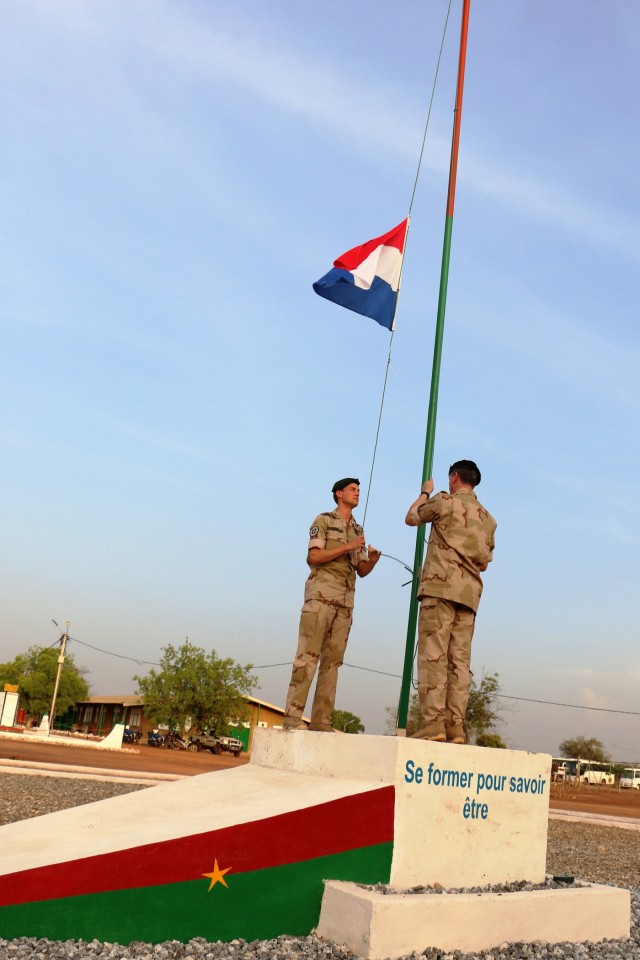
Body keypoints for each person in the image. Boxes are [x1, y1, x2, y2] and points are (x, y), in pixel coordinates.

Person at [405, 460, 496, 743]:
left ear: (454, 477)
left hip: (440, 588)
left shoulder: (444, 502)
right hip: (468, 595)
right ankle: (455, 726)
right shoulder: (488, 519)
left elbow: (411, 517)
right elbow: (483, 564)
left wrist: (424, 492)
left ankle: (433, 723)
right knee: (459, 661)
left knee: (434, 654)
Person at [283, 478, 381, 732]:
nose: (357, 493)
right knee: (307, 658)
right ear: (339, 494)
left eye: (359, 490)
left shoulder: (358, 530)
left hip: (345, 604)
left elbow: (361, 571)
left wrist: (371, 560)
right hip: (320, 598)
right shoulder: (324, 520)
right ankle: (293, 719)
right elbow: (314, 557)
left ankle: (321, 721)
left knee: (332, 664)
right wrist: (347, 547)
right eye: (352, 490)